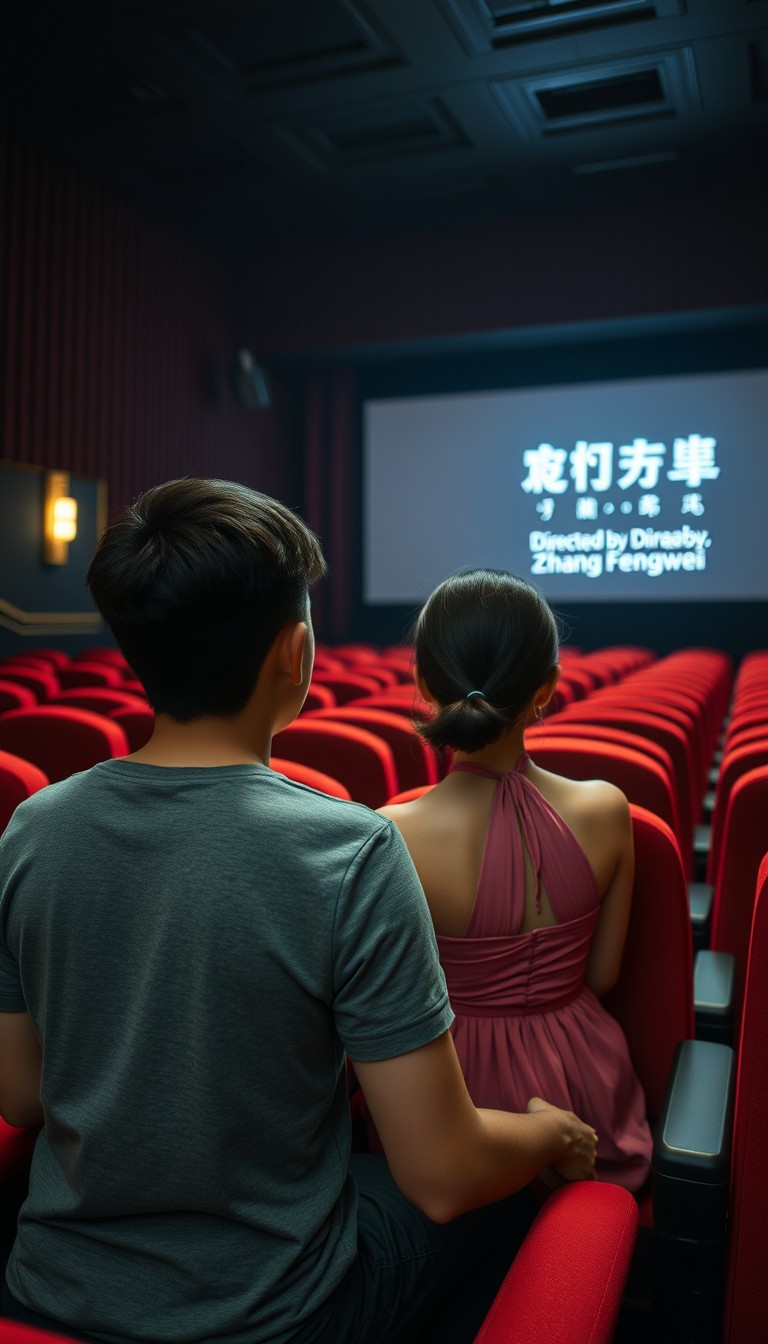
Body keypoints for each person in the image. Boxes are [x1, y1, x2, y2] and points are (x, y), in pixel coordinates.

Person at [0, 480, 597, 1344]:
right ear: (294, 650)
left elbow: (21, 1093)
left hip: (50, 1288)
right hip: (275, 1314)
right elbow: (442, 1173)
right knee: (507, 1205)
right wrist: (543, 1135)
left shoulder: (31, 828)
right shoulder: (348, 851)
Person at [378, 568, 652, 1193]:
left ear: (423, 685)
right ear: (546, 688)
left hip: (451, 1100)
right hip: (586, 1085)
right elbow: (603, 978)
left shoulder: (391, 833)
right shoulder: (607, 809)